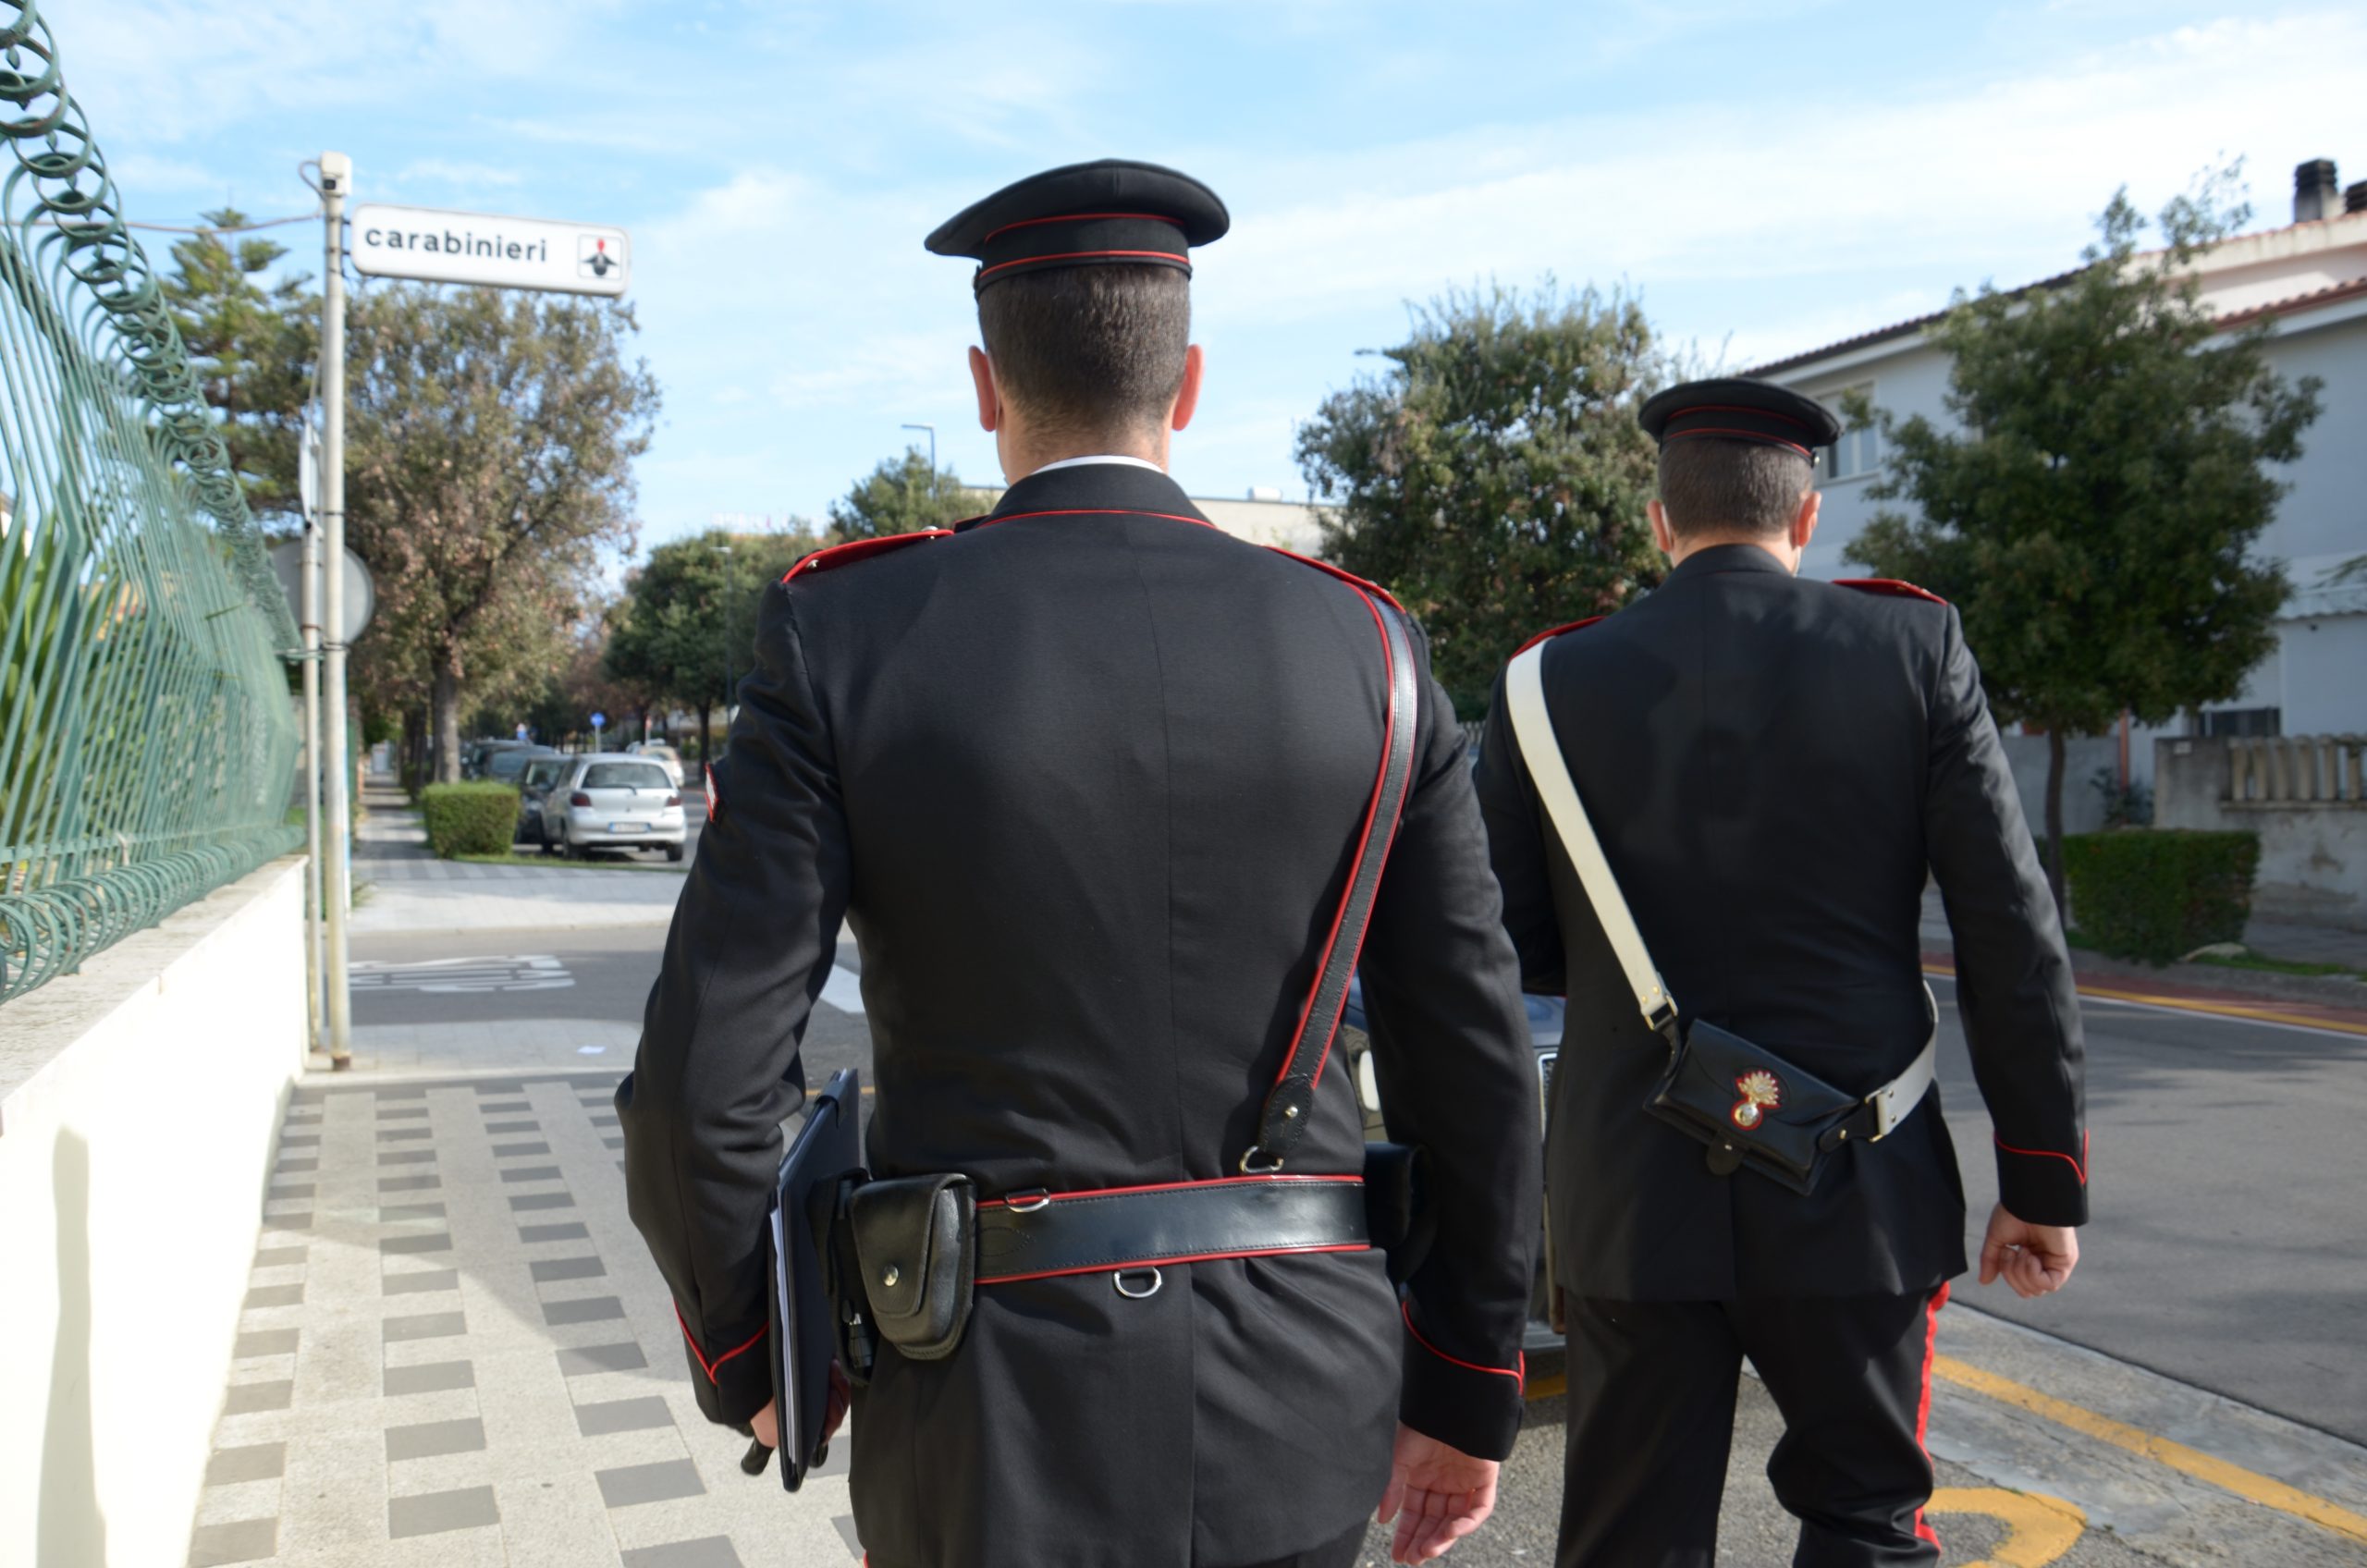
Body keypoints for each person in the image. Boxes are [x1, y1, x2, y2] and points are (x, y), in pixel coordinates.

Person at [619, 158, 1542, 1568]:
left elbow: (699, 1085)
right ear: (1188, 384)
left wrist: (760, 1358)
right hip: (1301, 1403)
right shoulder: (1370, 650)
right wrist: (1470, 1386)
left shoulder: (847, 634)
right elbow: (1474, 1057)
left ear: (987, 387)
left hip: (981, 1411)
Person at [1473, 377, 2089, 1567]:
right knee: (1864, 1521)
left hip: (1630, 1188)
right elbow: (2011, 929)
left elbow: (1510, 943)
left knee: (1626, 1541)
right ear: (1806, 519)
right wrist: (2041, 1175)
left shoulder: (1544, 683)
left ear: (1659, 520)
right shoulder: (1913, 646)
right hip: (1857, 1179)